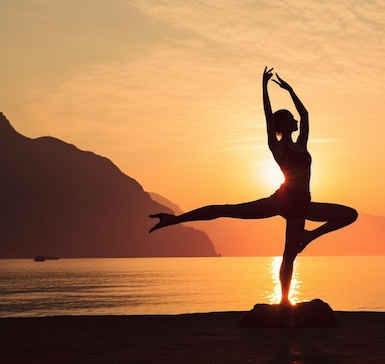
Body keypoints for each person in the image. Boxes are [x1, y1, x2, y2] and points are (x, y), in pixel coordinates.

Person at [149, 67, 358, 305]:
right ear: (283, 124)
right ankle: (172, 219)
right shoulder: (279, 147)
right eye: (291, 118)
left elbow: (307, 114)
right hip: (284, 201)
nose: (296, 120)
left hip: (303, 204)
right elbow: (268, 118)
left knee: (348, 216)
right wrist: (264, 87)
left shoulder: (302, 144)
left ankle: (308, 239)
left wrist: (290, 90)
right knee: (226, 209)